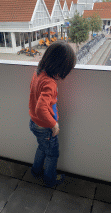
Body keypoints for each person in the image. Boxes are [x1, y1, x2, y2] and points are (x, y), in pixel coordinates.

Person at [29, 41, 76, 188]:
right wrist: (53, 124)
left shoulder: (37, 74)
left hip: (34, 123)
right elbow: (41, 108)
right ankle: (50, 179)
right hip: (46, 127)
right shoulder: (50, 83)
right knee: (52, 154)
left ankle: (36, 171)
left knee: (42, 148)